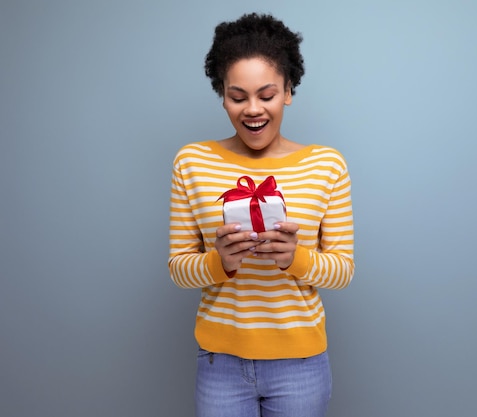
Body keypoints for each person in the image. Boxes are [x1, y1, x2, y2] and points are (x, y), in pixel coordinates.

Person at [168, 13, 355, 417]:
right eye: (238, 97)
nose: (253, 110)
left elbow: (342, 270)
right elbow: (178, 268)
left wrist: (295, 257)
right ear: (222, 94)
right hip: (220, 363)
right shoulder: (192, 161)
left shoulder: (327, 165)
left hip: (301, 365)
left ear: (289, 90)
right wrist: (220, 262)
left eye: (266, 95)